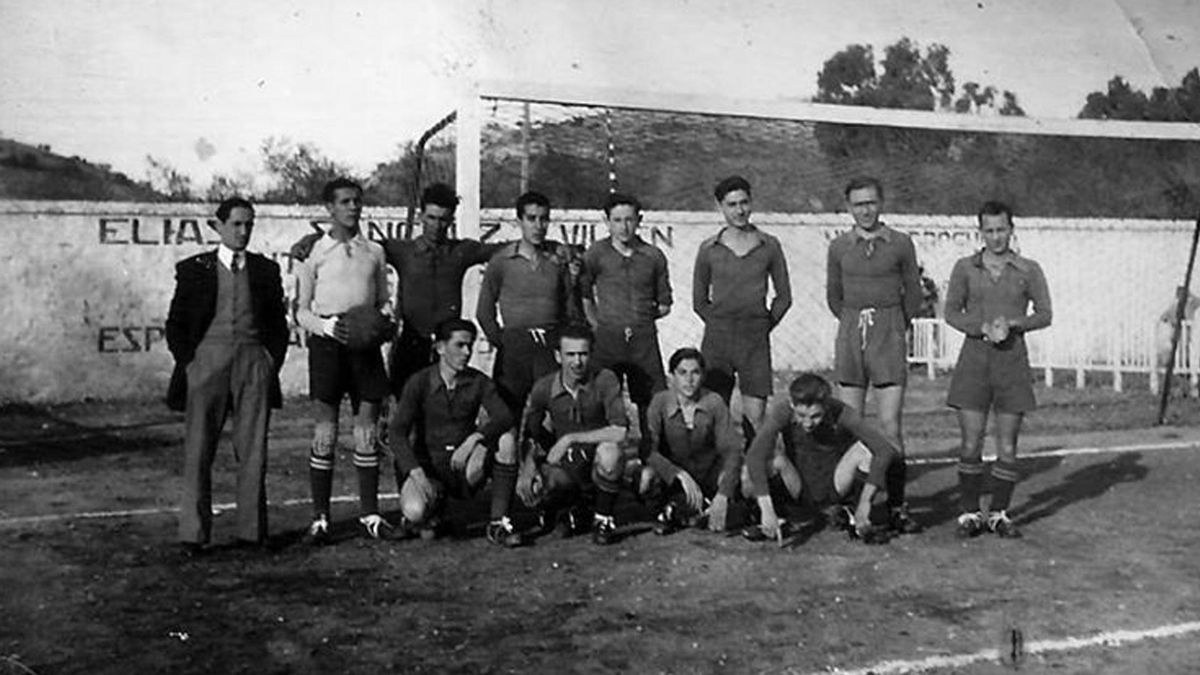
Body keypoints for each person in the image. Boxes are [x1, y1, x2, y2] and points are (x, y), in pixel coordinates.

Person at [290, 183, 506, 396]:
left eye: (443, 219)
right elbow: (351, 243)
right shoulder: (402, 250)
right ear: (421, 217)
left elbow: (500, 250)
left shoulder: (462, 251)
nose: (436, 225)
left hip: (447, 344)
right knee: (404, 406)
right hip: (411, 342)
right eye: (431, 218)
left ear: (451, 220)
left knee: (444, 407)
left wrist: (529, 240)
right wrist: (312, 239)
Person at [165, 197, 289, 557]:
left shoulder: (265, 270)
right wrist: (191, 364)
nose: (243, 231)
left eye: (249, 224)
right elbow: (176, 324)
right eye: (236, 224)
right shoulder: (194, 269)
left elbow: (277, 326)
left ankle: (252, 532)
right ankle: (193, 534)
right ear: (218, 226)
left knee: (253, 449)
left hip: (253, 361)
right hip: (207, 361)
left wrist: (269, 361)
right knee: (199, 448)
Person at [293, 177, 393, 543]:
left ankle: (370, 514)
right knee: (326, 430)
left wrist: (384, 321)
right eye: (345, 201)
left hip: (365, 346)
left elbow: (382, 300)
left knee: (366, 430)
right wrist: (327, 327)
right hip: (328, 345)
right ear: (330, 208)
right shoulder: (312, 252)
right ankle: (321, 518)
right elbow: (301, 311)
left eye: (357, 201)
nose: (353, 207)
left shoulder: (374, 251)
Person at [944, 201, 1052, 539]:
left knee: (1007, 444)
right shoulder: (965, 267)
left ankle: (999, 514)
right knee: (970, 442)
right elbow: (951, 312)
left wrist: (1014, 324)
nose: (995, 237)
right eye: (989, 231)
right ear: (980, 232)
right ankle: (969, 513)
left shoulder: (1028, 269)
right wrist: (980, 328)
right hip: (974, 362)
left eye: (1001, 230)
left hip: (1012, 362)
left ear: (1011, 229)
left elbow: (1045, 314)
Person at [825, 176, 923, 534]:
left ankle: (897, 506)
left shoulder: (900, 243)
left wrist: (894, 325)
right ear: (848, 207)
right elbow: (834, 296)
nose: (865, 210)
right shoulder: (839, 247)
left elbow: (913, 293)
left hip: (888, 332)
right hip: (852, 333)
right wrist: (855, 321)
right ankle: (849, 505)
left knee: (890, 425)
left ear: (881, 203)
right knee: (849, 423)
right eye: (858, 204)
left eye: (870, 202)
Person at [389, 318, 526, 547]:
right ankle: (431, 514)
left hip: (463, 465)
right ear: (440, 348)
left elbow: (504, 417)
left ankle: (499, 523)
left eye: (469, 346)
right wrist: (416, 473)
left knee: (506, 440)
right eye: (459, 345)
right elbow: (397, 433)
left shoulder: (478, 381)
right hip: (429, 467)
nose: (467, 352)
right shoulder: (419, 382)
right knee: (415, 511)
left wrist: (476, 439)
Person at [743, 373, 901, 544]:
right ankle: (773, 516)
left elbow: (884, 450)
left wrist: (865, 502)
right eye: (801, 415)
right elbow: (754, 455)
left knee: (865, 451)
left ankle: (857, 514)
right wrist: (766, 508)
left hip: (835, 483)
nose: (808, 423)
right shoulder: (783, 412)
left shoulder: (842, 412)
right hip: (798, 485)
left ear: (826, 406)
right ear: (792, 404)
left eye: (815, 416)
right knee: (768, 459)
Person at [692, 175, 792, 434]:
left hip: (754, 339)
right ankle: (721, 460)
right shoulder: (709, 249)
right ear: (720, 207)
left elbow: (784, 297)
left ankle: (755, 459)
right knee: (713, 412)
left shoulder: (769, 245)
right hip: (718, 339)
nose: (739, 210)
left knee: (756, 417)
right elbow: (699, 301)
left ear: (751, 202)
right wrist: (719, 323)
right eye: (732, 204)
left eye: (744, 203)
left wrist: (762, 325)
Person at [515, 324, 629, 545]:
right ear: (558, 356)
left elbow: (620, 431)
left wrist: (570, 438)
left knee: (611, 454)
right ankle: (563, 511)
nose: (577, 362)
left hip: (594, 462)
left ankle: (603, 519)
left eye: (583, 354)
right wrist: (528, 467)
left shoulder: (605, 379)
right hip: (565, 467)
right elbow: (531, 433)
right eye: (570, 355)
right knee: (535, 486)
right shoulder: (544, 387)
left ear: (591, 354)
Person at [476, 190, 583, 414]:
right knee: (507, 415)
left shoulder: (557, 260)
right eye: (531, 219)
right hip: (514, 347)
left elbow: (569, 306)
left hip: (549, 346)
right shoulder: (502, 261)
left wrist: (562, 342)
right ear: (519, 221)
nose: (538, 226)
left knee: (555, 414)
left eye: (543, 219)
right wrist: (503, 342)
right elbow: (484, 311)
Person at [581, 192, 672, 431]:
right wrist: (597, 324)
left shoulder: (653, 256)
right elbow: (584, 295)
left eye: (629, 220)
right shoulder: (596, 254)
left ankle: (651, 450)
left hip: (643, 339)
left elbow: (664, 304)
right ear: (607, 221)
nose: (624, 227)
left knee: (651, 401)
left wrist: (640, 319)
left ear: (639, 220)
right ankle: (602, 450)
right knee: (601, 398)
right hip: (607, 339)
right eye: (617, 220)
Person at [639, 348, 743, 534]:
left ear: (702, 376)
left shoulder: (714, 401)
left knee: (739, 477)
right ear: (672, 376)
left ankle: (708, 508)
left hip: (708, 475)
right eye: (682, 373)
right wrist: (677, 473)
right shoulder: (660, 402)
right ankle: (665, 512)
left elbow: (732, 449)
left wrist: (723, 493)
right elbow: (648, 450)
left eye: (695, 372)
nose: (689, 380)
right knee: (646, 477)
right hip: (673, 477)